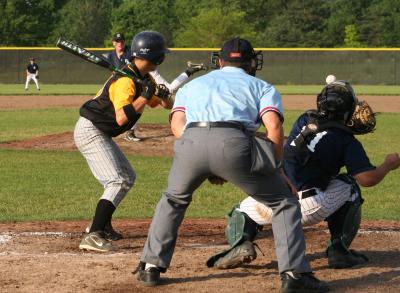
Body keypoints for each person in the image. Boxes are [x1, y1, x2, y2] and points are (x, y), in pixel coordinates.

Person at [134, 37, 329, 292]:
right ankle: (294, 275)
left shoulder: (193, 85)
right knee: (283, 202)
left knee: (173, 199)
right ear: (251, 62)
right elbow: (274, 127)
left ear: (220, 60)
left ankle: (151, 267)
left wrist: (206, 157)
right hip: (235, 144)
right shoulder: (261, 86)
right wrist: (276, 168)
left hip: (191, 142)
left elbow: (176, 126)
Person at [209, 80, 400, 271]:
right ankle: (338, 250)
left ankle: (241, 242)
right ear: (348, 111)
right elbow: (367, 179)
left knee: (240, 211)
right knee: (350, 186)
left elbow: (291, 144)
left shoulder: (304, 119)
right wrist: (387, 165)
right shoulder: (346, 140)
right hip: (311, 207)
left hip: (275, 201)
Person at [75, 30, 173, 252]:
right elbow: (122, 117)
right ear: (156, 57)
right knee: (117, 180)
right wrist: (145, 96)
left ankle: (104, 224)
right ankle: (93, 234)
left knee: (127, 177)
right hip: (90, 131)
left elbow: (165, 104)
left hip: (99, 131)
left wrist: (163, 94)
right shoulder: (126, 82)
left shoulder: (143, 79)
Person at [123, 61, 208, 142]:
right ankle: (130, 131)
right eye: (119, 43)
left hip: (148, 72)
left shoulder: (131, 53)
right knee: (140, 100)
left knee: (166, 91)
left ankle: (189, 71)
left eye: (122, 43)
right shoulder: (120, 55)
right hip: (140, 75)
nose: (120, 44)